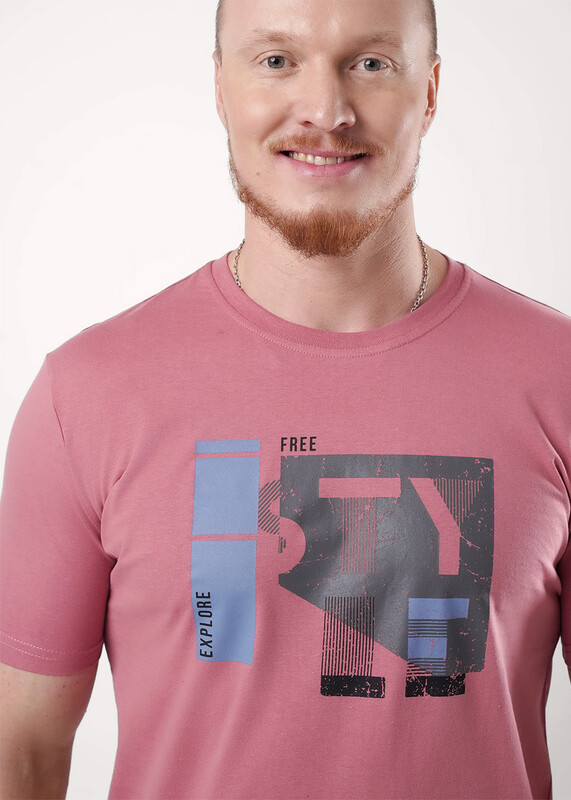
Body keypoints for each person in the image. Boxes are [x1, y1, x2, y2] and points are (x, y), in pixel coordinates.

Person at [1, 0, 569, 798]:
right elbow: (21, 751)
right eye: (276, 60)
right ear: (221, 88)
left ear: (430, 91)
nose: (325, 111)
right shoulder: (88, 391)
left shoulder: (555, 373)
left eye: (370, 63)